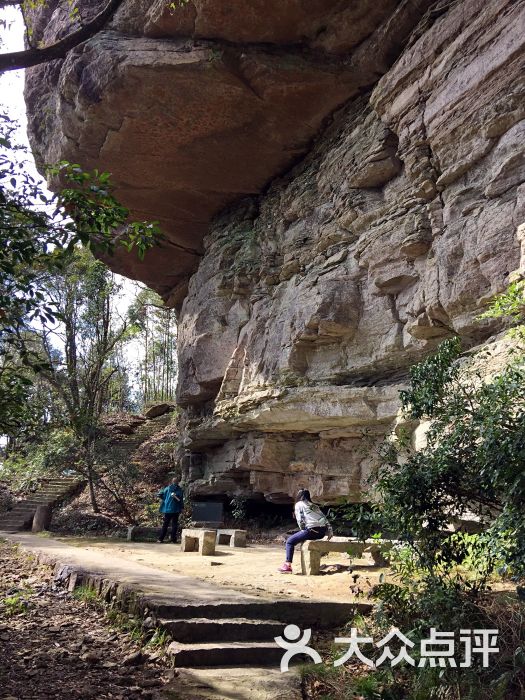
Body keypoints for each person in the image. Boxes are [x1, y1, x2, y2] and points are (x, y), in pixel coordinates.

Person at [278, 489, 332, 573]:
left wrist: (303, 530)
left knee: (289, 541)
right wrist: (330, 532)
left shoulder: (299, 504)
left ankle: (287, 566)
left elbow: (300, 520)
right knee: (299, 536)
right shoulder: (313, 505)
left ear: (299, 496)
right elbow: (324, 518)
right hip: (321, 532)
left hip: (311, 530)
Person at [157, 477, 184, 543]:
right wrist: (182, 507)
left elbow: (159, 494)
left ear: (172, 482)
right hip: (175, 509)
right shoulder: (179, 489)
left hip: (167, 509)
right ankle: (173, 539)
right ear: (178, 482)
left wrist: (165, 500)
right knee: (174, 524)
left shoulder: (167, 488)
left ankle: (161, 539)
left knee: (165, 524)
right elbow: (180, 500)